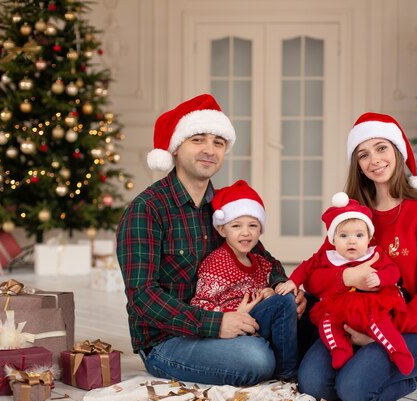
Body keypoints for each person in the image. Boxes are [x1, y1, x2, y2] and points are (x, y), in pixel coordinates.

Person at [116, 94, 305, 386]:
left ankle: (283, 349)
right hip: (168, 341)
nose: (210, 150)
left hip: (233, 317)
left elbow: (263, 259)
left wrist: (283, 287)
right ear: (176, 148)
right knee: (256, 359)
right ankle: (279, 355)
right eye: (198, 140)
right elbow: (142, 297)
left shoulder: (223, 207)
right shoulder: (147, 209)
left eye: (218, 142)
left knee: (307, 311)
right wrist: (216, 324)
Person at [296, 112, 417, 401]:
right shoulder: (351, 214)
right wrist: (345, 279)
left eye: (381, 148)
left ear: (397, 151)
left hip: (410, 326)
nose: (374, 160)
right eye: (363, 154)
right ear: (358, 166)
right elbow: (316, 274)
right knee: (314, 386)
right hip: (351, 321)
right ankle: (377, 365)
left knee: (354, 391)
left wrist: (381, 334)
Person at [276, 192, 413, 375]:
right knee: (327, 322)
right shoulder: (327, 257)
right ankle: (340, 349)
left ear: (368, 237)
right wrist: (293, 281)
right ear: (333, 239)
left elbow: (393, 271)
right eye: (344, 236)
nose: (352, 241)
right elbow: (306, 268)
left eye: (359, 235)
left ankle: (399, 351)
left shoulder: (375, 254)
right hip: (339, 305)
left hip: (370, 304)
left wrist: (381, 278)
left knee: (380, 324)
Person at [190, 179, 297, 380]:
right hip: (232, 325)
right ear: (222, 230)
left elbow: (268, 285)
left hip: (256, 320)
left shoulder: (260, 262)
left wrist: (269, 291)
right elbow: (199, 304)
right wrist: (232, 313)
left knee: (292, 301)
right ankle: (287, 373)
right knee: (284, 303)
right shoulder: (217, 263)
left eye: (253, 225)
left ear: (260, 230)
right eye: (236, 226)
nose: (246, 232)